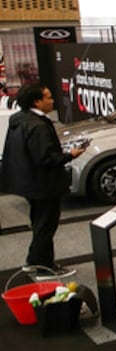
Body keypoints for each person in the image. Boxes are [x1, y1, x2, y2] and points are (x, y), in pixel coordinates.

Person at [0, 83, 85, 277]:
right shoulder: (38, 126)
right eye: (48, 97)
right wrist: (70, 155)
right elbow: (46, 158)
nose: (52, 100)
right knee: (46, 226)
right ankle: (44, 266)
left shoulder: (19, 119)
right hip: (43, 184)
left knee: (39, 223)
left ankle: (34, 260)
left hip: (28, 182)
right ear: (37, 102)